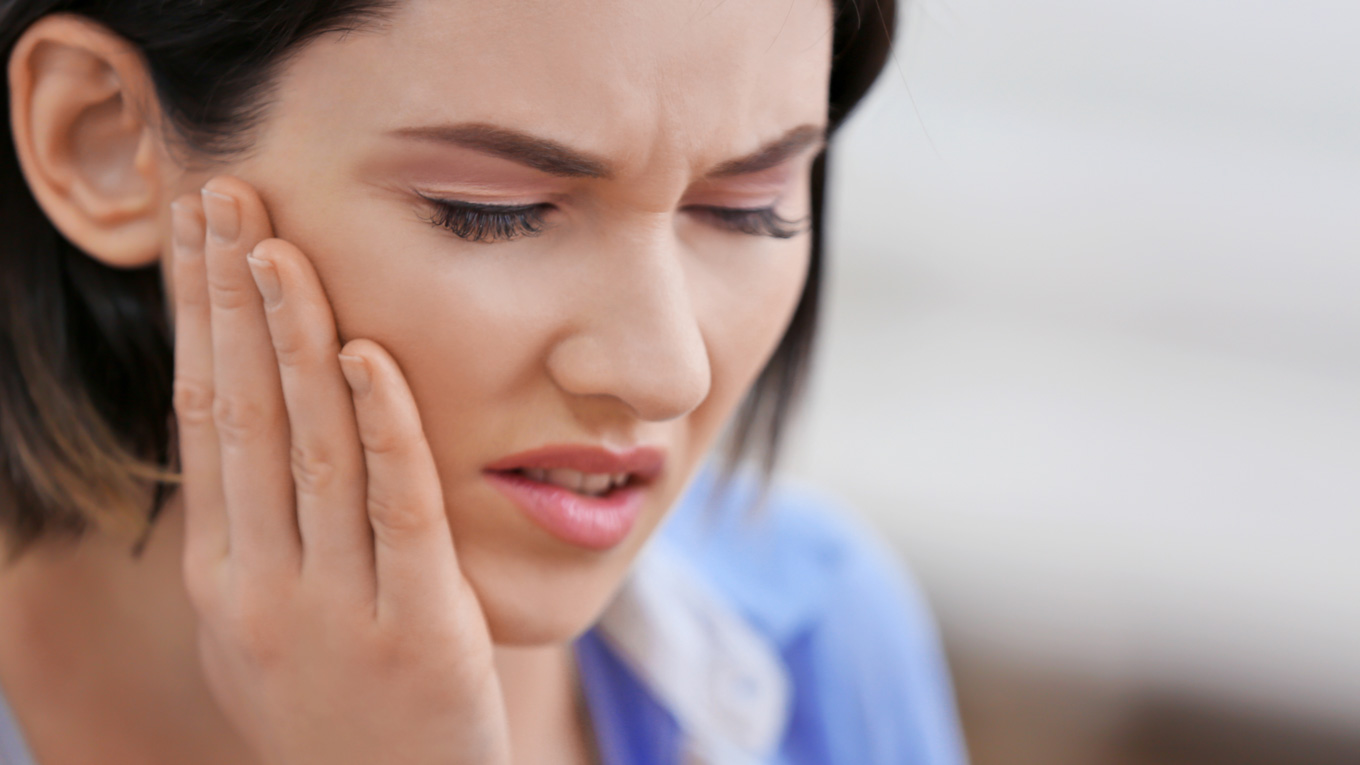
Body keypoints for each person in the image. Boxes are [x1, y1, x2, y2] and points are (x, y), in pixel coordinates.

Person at [0, 1, 968, 763]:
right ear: (102, 136)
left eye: (746, 210)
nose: (666, 370)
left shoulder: (824, 641)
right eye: (494, 212)